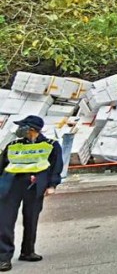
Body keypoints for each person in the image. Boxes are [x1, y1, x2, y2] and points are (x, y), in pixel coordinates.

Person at [0, 116, 63, 271]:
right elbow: (2, 164)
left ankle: (28, 251)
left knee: (31, 219)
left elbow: (56, 165)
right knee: (4, 222)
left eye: (23, 126)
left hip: (34, 185)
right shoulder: (13, 145)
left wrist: (52, 185)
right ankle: (3, 258)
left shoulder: (51, 145)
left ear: (33, 129)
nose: (19, 129)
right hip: (10, 185)